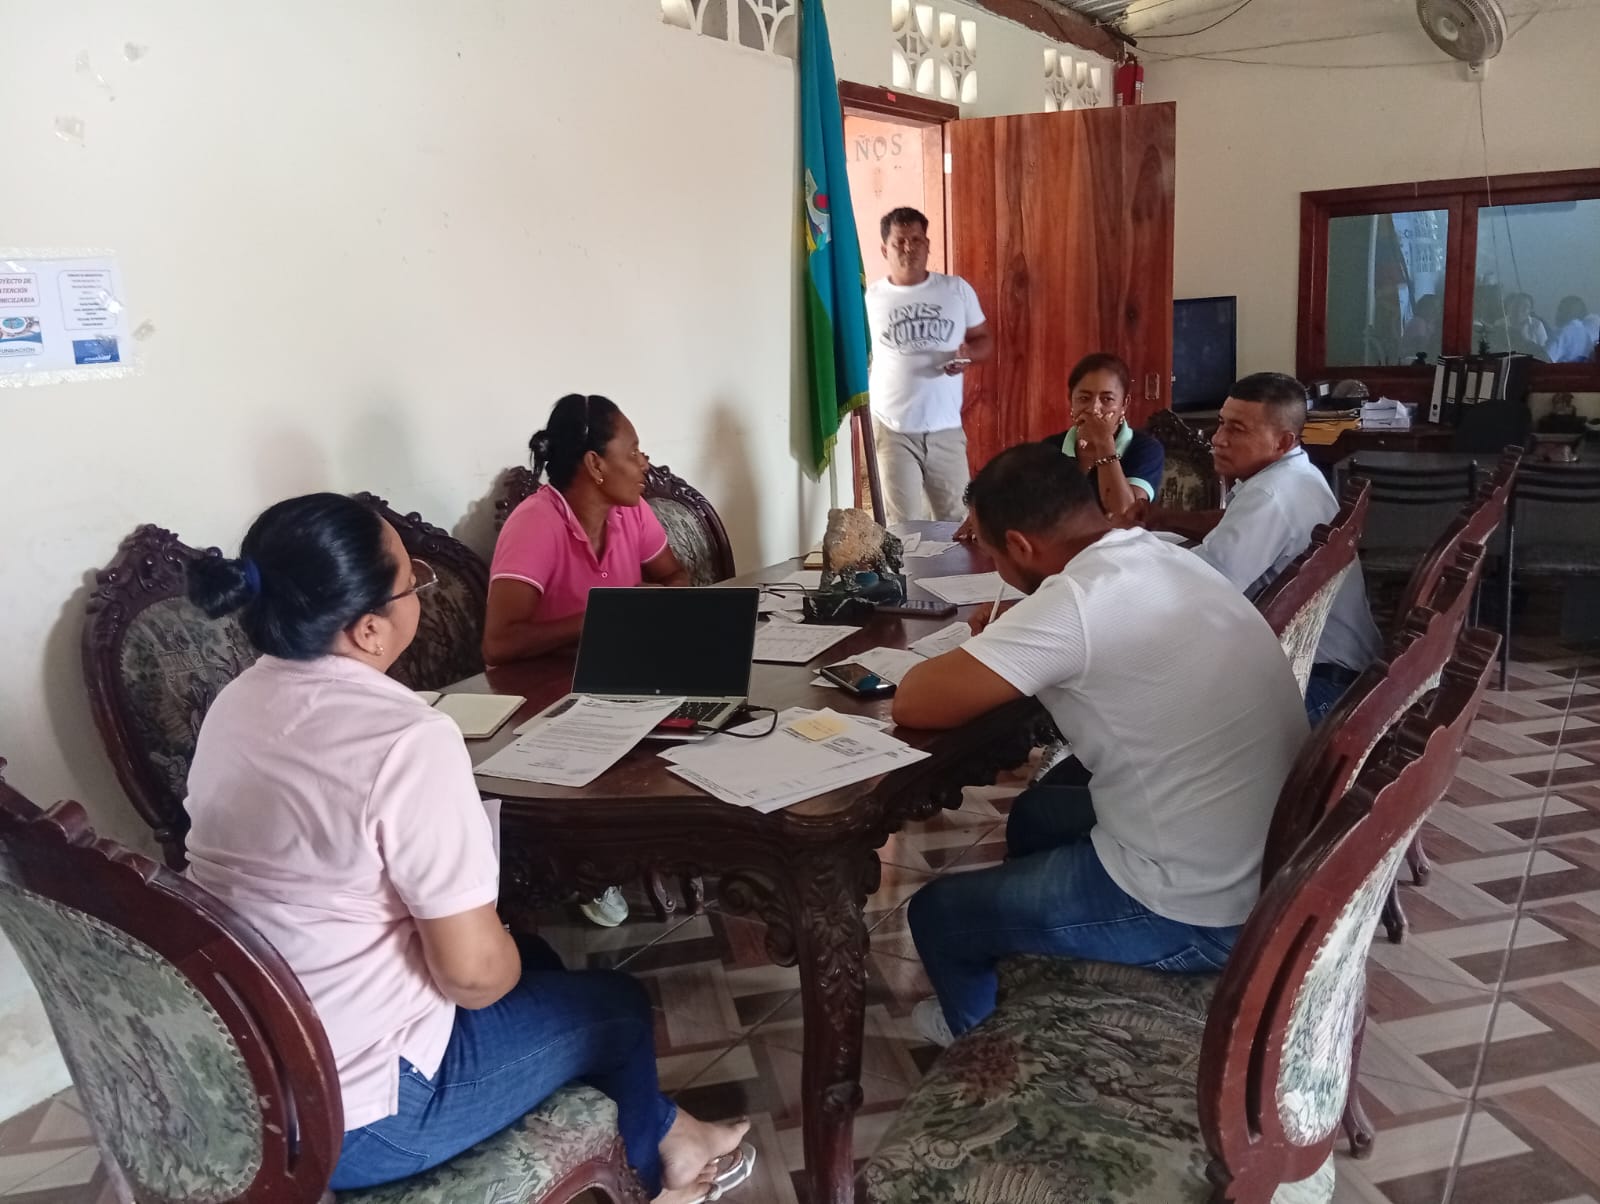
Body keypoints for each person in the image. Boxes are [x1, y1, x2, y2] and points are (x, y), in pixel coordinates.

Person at [184, 493, 752, 1203]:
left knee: (539, 963)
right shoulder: (405, 740)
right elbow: (474, 979)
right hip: (364, 1120)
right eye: (412, 583)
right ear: (368, 629)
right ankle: (656, 1183)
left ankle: (669, 1129)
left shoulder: (236, 702)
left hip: (253, 1074)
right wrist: (490, 934)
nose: (420, 594)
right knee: (617, 1006)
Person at [894, 445, 1307, 1044]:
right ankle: (1028, 954)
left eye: (990, 550)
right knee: (1036, 813)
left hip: (1200, 909)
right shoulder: (1157, 553)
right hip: (1266, 859)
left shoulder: (1075, 605)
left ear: (1021, 545)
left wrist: (1004, 638)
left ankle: (978, 1040)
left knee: (939, 913)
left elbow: (914, 700)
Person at [484, 393, 690, 928]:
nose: (645, 463)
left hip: (617, 675)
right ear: (596, 464)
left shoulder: (632, 511)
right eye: (634, 451)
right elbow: (498, 645)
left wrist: (657, 609)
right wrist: (608, 616)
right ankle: (594, 863)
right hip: (545, 698)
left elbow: (675, 575)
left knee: (713, 715)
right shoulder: (536, 523)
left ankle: (679, 840)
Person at [1141, 372, 1384, 724]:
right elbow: (1231, 525)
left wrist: (1128, 561)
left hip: (1322, 686)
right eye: (1221, 423)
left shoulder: (1271, 495)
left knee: (1156, 705)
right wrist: (1159, 523)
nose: (1218, 439)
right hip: (1343, 668)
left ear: (1282, 441)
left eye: (1237, 430)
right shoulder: (1298, 472)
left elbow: (1200, 588)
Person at [866, 206, 993, 525]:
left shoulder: (956, 290)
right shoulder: (870, 299)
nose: (909, 248)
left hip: (945, 429)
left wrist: (968, 354)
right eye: (899, 241)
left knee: (957, 523)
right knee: (903, 527)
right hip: (893, 430)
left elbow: (985, 341)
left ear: (928, 244)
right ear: (884, 249)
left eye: (916, 240)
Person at [954, 352, 1162, 539]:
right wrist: (986, 514)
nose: (1094, 409)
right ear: (1071, 400)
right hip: (1064, 553)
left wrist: (1104, 443)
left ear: (1124, 404)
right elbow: (1022, 499)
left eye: (1107, 399)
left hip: (1124, 553)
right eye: (1084, 398)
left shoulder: (1144, 449)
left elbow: (1125, 515)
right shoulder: (1052, 448)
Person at [1547, 295, 1599, 363]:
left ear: (1569, 312)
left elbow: (1545, 359)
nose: (1557, 314)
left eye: (1560, 310)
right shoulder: (1586, 335)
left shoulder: (1564, 333)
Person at [1399, 293, 1442, 365]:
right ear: (1423, 308)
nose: (1437, 311)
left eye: (1438, 307)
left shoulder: (1431, 323)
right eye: (1433, 307)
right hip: (1411, 362)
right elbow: (1422, 348)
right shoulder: (1418, 322)